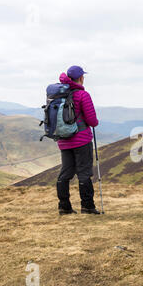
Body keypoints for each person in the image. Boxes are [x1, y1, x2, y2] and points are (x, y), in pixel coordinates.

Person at [56, 65, 101, 215]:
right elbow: (92, 120)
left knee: (65, 172)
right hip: (81, 140)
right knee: (84, 172)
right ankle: (87, 206)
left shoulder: (59, 93)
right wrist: (95, 122)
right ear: (81, 77)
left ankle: (64, 207)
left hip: (63, 140)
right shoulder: (83, 95)